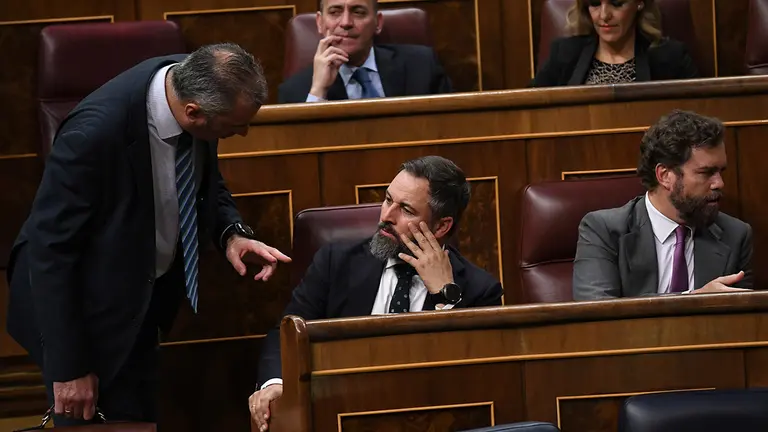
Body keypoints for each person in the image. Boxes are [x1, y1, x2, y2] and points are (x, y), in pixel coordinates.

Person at [5, 43, 291, 425]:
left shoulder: (186, 81)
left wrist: (231, 233)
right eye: (235, 127)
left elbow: (204, 179)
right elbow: (51, 251)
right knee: (93, 417)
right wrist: (69, 367)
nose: (242, 133)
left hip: (140, 295)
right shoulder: (93, 134)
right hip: (81, 309)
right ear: (193, 113)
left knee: (139, 416)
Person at [248, 156, 503, 431]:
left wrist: (444, 296)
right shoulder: (336, 262)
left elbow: (473, 380)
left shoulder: (480, 290)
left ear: (441, 226)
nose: (386, 216)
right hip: (342, 415)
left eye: (405, 209)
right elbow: (284, 334)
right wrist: (276, 383)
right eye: (387, 199)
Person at [573, 110, 753, 300]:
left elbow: (742, 321)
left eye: (720, 171)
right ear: (665, 176)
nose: (719, 183)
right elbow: (597, 314)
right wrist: (694, 300)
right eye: (706, 172)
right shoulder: (603, 230)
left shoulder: (735, 235)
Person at [278, 0, 453, 103]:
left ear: (378, 23)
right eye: (335, 12)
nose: (346, 22)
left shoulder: (423, 66)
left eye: (358, 12)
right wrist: (318, 91)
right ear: (320, 23)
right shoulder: (295, 91)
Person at [532, 0, 698, 87]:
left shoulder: (672, 58)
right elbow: (530, 111)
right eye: (595, 3)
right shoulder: (563, 54)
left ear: (639, 3)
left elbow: (698, 123)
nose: (604, 15)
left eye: (617, 3)